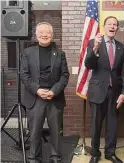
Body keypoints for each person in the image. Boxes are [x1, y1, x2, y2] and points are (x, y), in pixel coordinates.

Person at [20, 22, 69, 163]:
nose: (44, 35)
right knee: (35, 132)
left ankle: (56, 157)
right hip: (35, 98)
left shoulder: (60, 54)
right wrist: (37, 90)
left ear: (52, 35)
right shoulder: (28, 53)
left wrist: (54, 91)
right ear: (36, 35)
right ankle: (34, 158)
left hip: (54, 97)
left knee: (56, 132)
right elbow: (24, 74)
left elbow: (65, 76)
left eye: (47, 32)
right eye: (41, 32)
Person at [85, 16, 124, 163]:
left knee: (112, 125)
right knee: (96, 126)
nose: (112, 26)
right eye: (109, 24)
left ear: (117, 28)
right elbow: (89, 65)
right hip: (97, 91)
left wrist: (123, 93)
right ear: (104, 27)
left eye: (115, 24)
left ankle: (110, 153)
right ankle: (95, 154)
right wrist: (96, 47)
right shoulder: (93, 43)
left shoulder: (122, 47)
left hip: (114, 93)